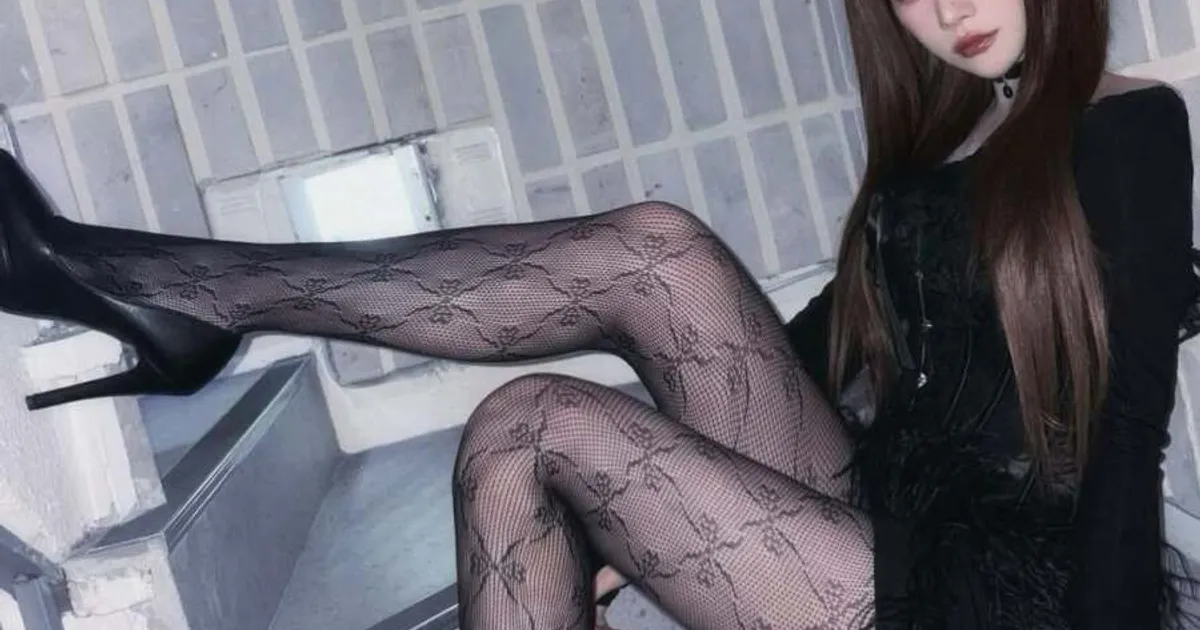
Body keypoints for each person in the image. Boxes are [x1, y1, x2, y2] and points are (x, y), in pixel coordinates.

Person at [0, 0, 1195, 627]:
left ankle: (178, 297)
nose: (946, 4)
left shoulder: (1129, 125)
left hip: (983, 594)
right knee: (656, 255)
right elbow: (824, 342)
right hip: (879, 504)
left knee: (529, 423)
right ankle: (176, 291)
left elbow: (1130, 428)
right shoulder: (960, 132)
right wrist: (662, 495)